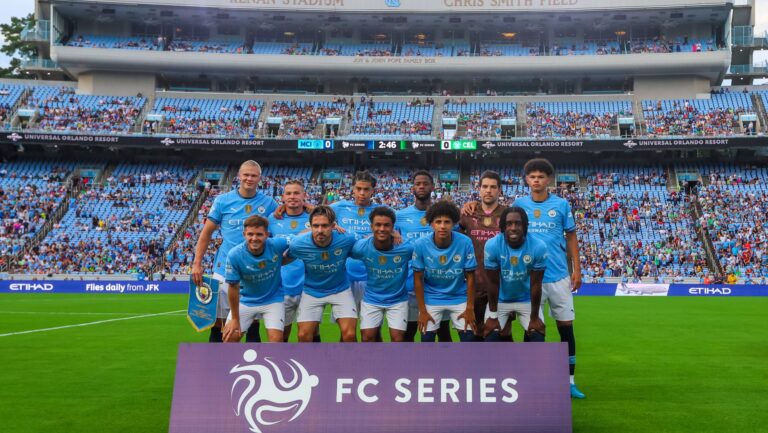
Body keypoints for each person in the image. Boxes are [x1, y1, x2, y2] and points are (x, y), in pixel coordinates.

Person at [513, 158, 585, 399]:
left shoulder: (561, 205)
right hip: (529, 278)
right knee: (532, 329)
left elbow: (571, 237)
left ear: (548, 180)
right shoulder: (519, 205)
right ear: (526, 180)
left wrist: (577, 269)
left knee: (566, 328)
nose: (536, 180)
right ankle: (530, 381)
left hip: (558, 277)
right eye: (532, 176)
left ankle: (570, 381)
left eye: (541, 176)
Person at [192, 160, 277, 343]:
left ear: (259, 178)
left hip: (254, 272)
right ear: (238, 176)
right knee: (218, 324)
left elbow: (286, 219)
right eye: (246, 174)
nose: (249, 178)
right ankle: (215, 366)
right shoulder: (223, 201)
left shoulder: (269, 203)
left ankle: (253, 368)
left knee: (252, 326)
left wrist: (309, 208)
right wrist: (197, 263)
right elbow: (206, 233)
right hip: (224, 269)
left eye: (253, 175)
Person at [395, 170, 453, 342]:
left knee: (443, 333)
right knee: (409, 333)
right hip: (410, 284)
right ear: (412, 187)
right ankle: (410, 369)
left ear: (433, 187)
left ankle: (445, 369)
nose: (421, 186)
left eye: (425, 183)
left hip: (438, 286)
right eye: (418, 183)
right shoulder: (400, 216)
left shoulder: (443, 215)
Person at [287, 206, 358, 342]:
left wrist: (393, 234)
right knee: (303, 335)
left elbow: (369, 242)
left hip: (340, 289)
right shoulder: (298, 244)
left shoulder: (347, 238)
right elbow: (285, 258)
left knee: (349, 335)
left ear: (333, 225)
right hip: (312, 291)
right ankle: (311, 363)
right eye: (316, 226)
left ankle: (347, 362)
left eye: (325, 226)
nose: (320, 230)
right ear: (310, 226)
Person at [413, 201, 477, 342]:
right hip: (432, 297)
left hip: (458, 296)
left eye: (447, 222)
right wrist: (422, 311)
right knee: (427, 339)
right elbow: (418, 279)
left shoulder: (465, 242)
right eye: (438, 222)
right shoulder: (420, 244)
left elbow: (471, 277)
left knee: (469, 338)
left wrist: (470, 308)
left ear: (454, 223)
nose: (442, 226)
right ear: (431, 224)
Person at [483, 207, 547, 342]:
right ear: (503, 226)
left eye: (517, 223)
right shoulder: (492, 245)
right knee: (491, 337)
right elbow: (492, 283)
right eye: (509, 224)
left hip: (526, 300)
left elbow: (536, 284)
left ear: (524, 226)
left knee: (537, 336)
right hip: (500, 300)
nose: (513, 228)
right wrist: (493, 315)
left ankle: (530, 363)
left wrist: (534, 317)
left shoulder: (538, 246)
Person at [222, 216, 288, 343]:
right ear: (244, 234)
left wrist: (331, 226)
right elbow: (233, 287)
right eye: (250, 234)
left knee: (276, 341)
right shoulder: (234, 255)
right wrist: (235, 319)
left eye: (259, 234)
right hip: (246, 300)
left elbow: (301, 238)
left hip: (272, 300)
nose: (254, 238)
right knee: (229, 338)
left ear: (267, 235)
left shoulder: (277, 244)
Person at [459, 170, 508, 340]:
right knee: (475, 334)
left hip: (501, 284)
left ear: (499, 190)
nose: (488, 190)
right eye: (485, 186)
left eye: (493, 187)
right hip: (474, 283)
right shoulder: (466, 214)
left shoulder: (508, 215)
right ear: (478, 189)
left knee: (502, 334)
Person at [351, 207, 413, 342]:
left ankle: (394, 363)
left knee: (397, 339)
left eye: (386, 225)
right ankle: (371, 363)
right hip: (372, 299)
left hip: (398, 300)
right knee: (367, 338)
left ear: (393, 227)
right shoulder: (361, 247)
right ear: (371, 226)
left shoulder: (406, 248)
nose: (382, 229)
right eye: (378, 225)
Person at [267, 180, 312, 342]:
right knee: (281, 336)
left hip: (309, 287)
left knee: (308, 335)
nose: (292, 197)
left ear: (304, 196)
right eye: (288, 193)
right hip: (281, 287)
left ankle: (314, 367)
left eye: (296, 193)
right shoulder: (272, 219)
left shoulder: (315, 218)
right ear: (283, 197)